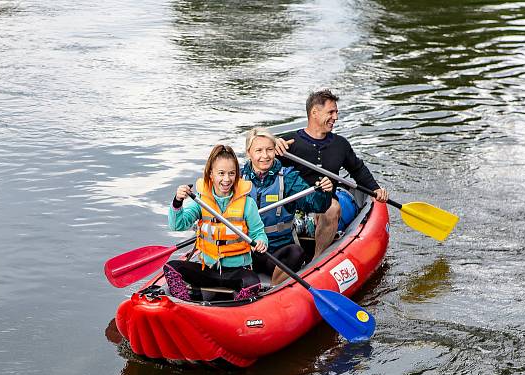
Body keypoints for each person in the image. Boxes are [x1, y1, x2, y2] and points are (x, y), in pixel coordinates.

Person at [277, 89, 388, 257]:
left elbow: (357, 169)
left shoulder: (340, 144)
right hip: (294, 204)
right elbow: (261, 159)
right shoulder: (288, 143)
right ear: (314, 112)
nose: (335, 117)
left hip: (325, 203)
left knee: (332, 208)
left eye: (336, 112)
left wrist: (375, 189)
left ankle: (317, 260)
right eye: (331, 112)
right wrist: (273, 143)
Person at [164, 145, 268, 301]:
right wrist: (178, 201)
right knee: (171, 267)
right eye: (221, 173)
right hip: (208, 270)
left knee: (252, 283)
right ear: (211, 174)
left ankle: (237, 309)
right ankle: (187, 304)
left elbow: (259, 233)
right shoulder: (200, 200)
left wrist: (261, 242)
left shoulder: (247, 203)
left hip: (237, 272)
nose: (227, 179)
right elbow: (177, 225)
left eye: (231, 173)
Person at [242, 127, 333, 285]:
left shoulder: (288, 177)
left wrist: (323, 192)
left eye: (269, 149)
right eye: (259, 150)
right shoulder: (237, 177)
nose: (265, 156)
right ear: (249, 153)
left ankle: (274, 290)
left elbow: (316, 205)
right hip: (247, 251)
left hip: (278, 253)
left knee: (296, 253)